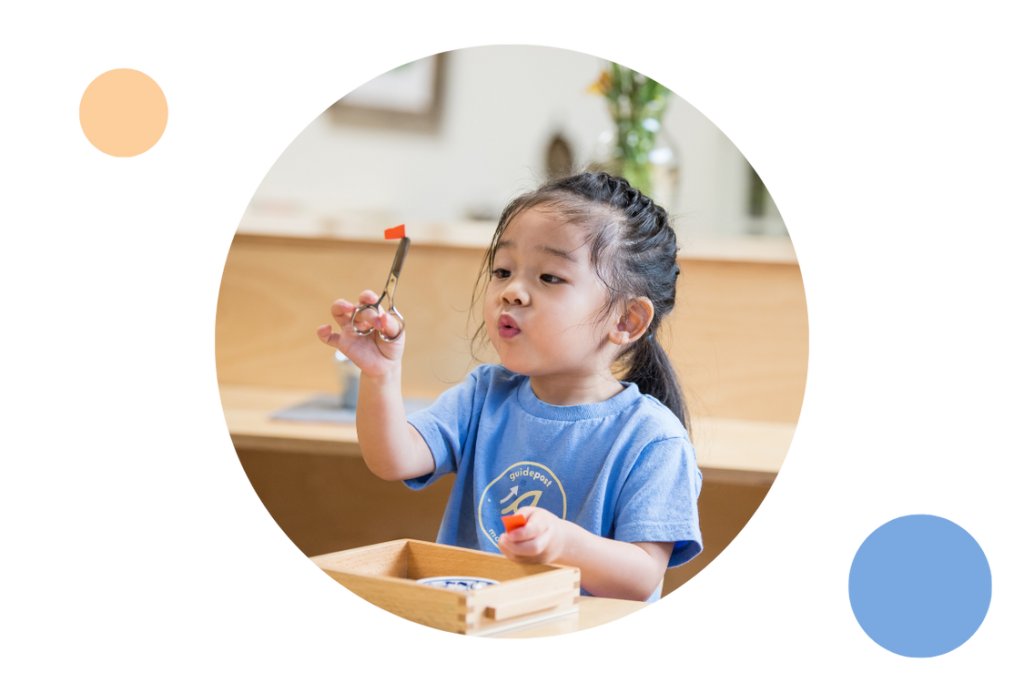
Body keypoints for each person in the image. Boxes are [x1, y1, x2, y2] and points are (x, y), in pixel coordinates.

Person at [317, 172, 702, 604]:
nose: (512, 291)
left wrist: (563, 543)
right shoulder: (485, 395)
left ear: (626, 320)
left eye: (549, 277)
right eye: (502, 271)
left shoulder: (653, 439)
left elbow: (642, 577)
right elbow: (394, 459)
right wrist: (380, 375)